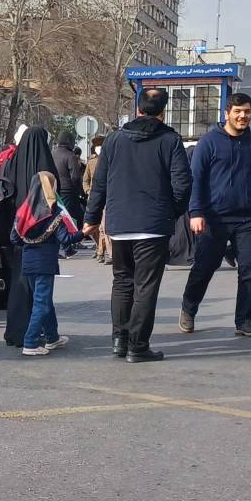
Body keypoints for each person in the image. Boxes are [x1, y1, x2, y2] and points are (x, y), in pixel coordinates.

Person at [81, 88, 190, 363]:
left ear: (137, 109)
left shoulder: (114, 140)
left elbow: (99, 184)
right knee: (145, 287)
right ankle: (138, 346)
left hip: (120, 224)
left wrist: (91, 218)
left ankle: (120, 340)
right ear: (163, 111)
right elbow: (182, 185)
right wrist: (170, 213)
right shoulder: (170, 140)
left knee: (122, 282)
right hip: (154, 225)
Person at [180, 92, 251, 337]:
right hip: (213, 218)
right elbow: (196, 179)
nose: (243, 116)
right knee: (204, 267)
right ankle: (188, 308)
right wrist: (196, 212)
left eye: (247, 112)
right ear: (227, 113)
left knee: (250, 269)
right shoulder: (208, 142)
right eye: (238, 112)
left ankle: (245, 320)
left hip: (247, 218)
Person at [10, 126, 72, 355]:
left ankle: (43, 334)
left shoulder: (13, 161)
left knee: (28, 291)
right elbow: (57, 198)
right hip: (44, 242)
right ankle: (32, 340)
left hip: (21, 232)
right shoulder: (46, 170)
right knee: (42, 297)